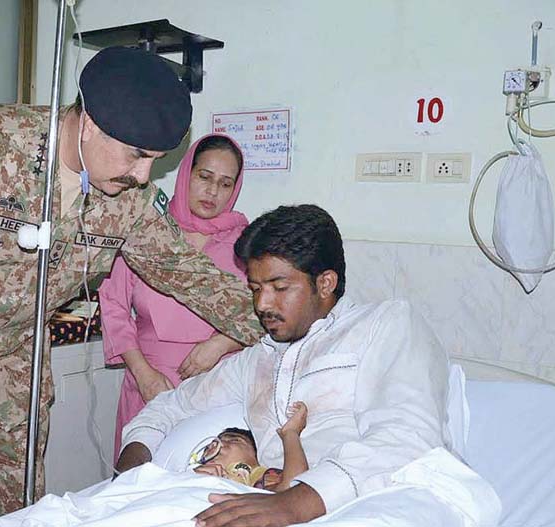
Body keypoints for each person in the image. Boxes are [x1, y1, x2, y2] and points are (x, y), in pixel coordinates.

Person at [0, 46, 262, 525]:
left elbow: (190, 275)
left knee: (17, 509)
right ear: (92, 124)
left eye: (156, 161)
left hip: (13, 363)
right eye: (138, 156)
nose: (144, 176)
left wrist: (284, 317)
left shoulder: (129, 199)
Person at [115, 204, 451, 527]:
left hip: (360, 505)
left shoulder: (384, 326)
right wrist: (129, 477)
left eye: (279, 287)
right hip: (266, 501)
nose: (261, 304)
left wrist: (294, 505)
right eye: (255, 289)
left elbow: (407, 437)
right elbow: (172, 406)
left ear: (325, 283)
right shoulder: (259, 358)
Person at [99, 133, 249, 459]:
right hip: (149, 385)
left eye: (225, 184)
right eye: (205, 177)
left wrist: (222, 343)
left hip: (218, 388)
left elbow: (266, 312)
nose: (212, 192)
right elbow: (113, 306)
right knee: (138, 486)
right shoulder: (149, 232)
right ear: (186, 175)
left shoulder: (246, 244)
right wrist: (143, 375)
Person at [194, 401, 309, 492]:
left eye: (233, 440)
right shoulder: (190, 474)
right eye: (208, 447)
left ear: (256, 457)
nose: (217, 446)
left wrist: (290, 433)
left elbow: (293, 489)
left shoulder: (260, 479)